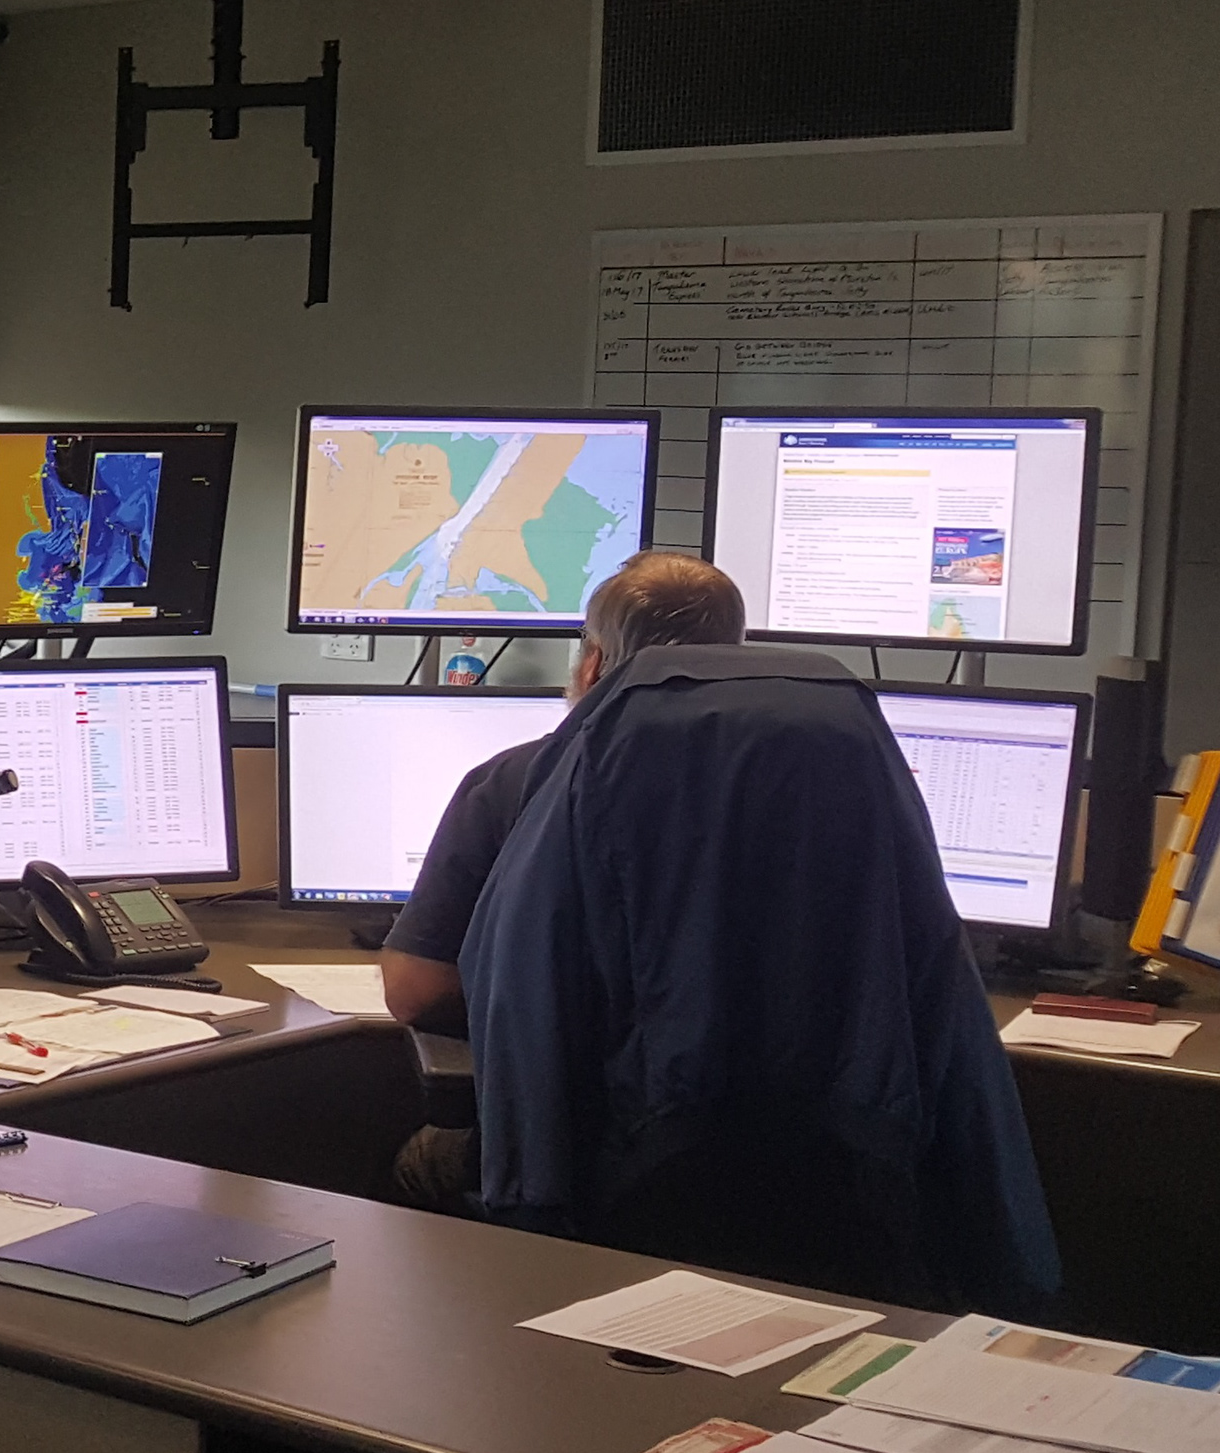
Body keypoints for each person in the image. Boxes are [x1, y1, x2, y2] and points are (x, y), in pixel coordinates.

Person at [448, 613, 1060, 1314]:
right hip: (855, 1194)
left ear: (591, 666)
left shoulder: (573, 774)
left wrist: (527, 1200)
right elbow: (945, 1008)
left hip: (631, 1191)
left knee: (425, 1159)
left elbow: (511, 987)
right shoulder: (852, 756)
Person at [381, 553, 745, 1211]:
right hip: (786, 1146)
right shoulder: (817, 780)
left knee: (424, 1158)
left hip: (576, 1145)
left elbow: (414, 990)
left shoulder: (517, 780)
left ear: (594, 665)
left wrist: (527, 1000)